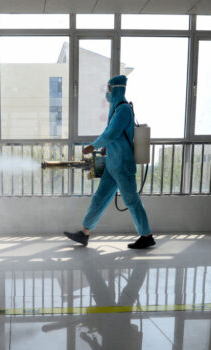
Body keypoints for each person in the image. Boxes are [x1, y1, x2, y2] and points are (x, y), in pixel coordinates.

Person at [64, 75, 155, 249]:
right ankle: (84, 233)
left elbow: (111, 133)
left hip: (123, 165)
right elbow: (115, 135)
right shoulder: (116, 110)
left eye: (109, 89)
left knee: (131, 200)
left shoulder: (123, 110)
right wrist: (105, 149)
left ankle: (146, 235)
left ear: (117, 89)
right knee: (99, 198)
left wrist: (93, 146)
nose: (108, 93)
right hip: (113, 165)